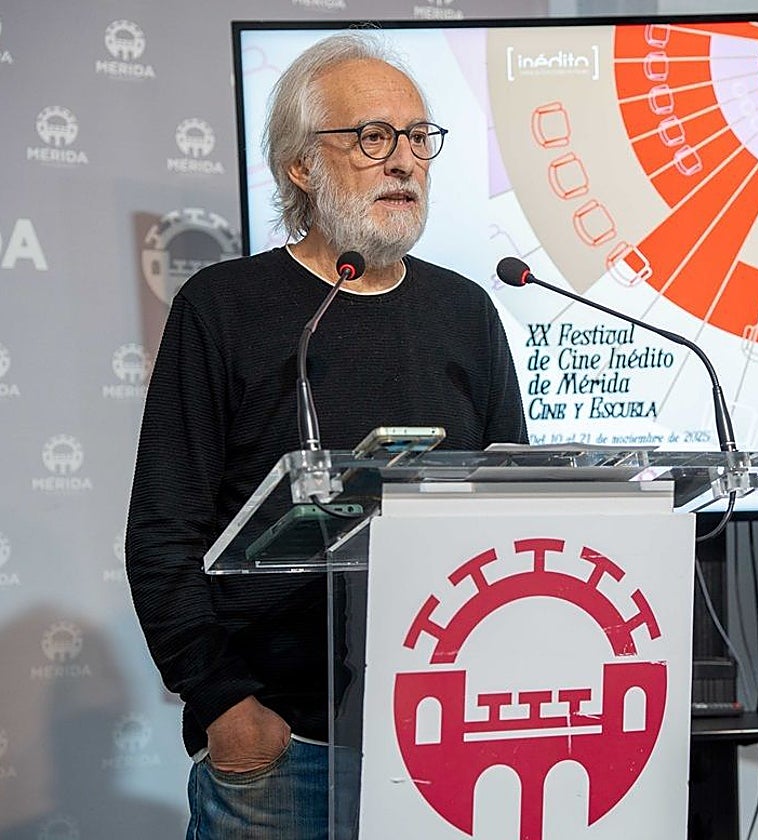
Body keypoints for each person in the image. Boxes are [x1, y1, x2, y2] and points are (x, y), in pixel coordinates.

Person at [125, 33, 527, 838]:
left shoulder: (466, 312)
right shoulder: (225, 306)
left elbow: (513, 511)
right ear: (301, 166)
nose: (405, 162)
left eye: (418, 138)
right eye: (373, 137)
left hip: (447, 727)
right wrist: (225, 707)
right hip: (282, 744)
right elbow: (164, 533)